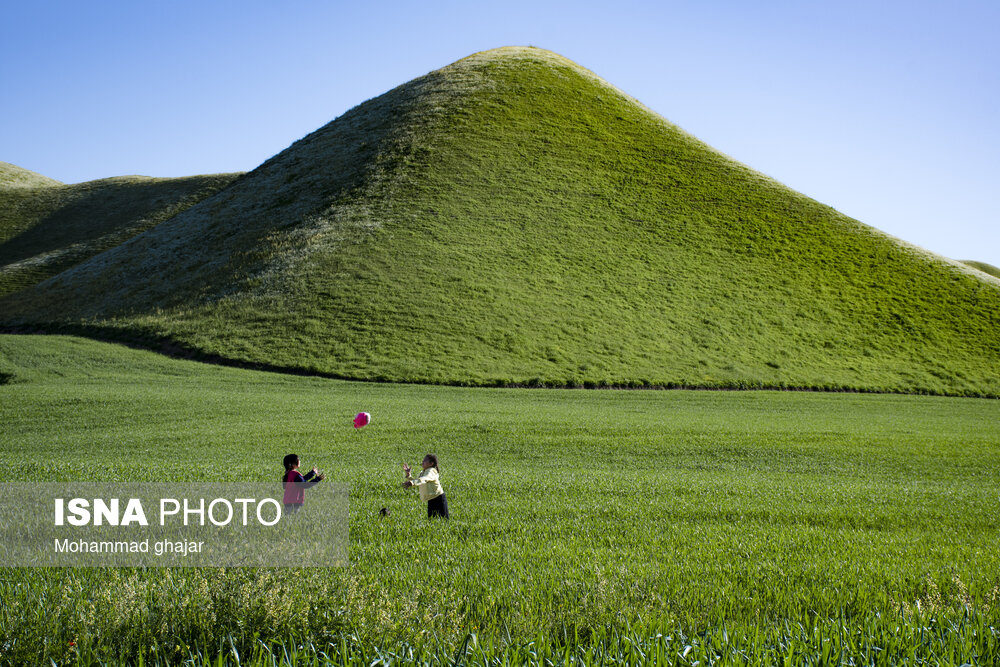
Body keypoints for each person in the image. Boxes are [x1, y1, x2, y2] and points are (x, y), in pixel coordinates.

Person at [403, 454, 449, 519]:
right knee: (433, 522)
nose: (422, 462)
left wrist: (412, 483)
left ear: (431, 463)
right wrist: (409, 476)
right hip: (431, 499)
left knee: (443, 521)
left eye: (425, 460)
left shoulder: (431, 471)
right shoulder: (423, 472)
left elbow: (425, 479)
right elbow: (419, 481)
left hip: (438, 500)